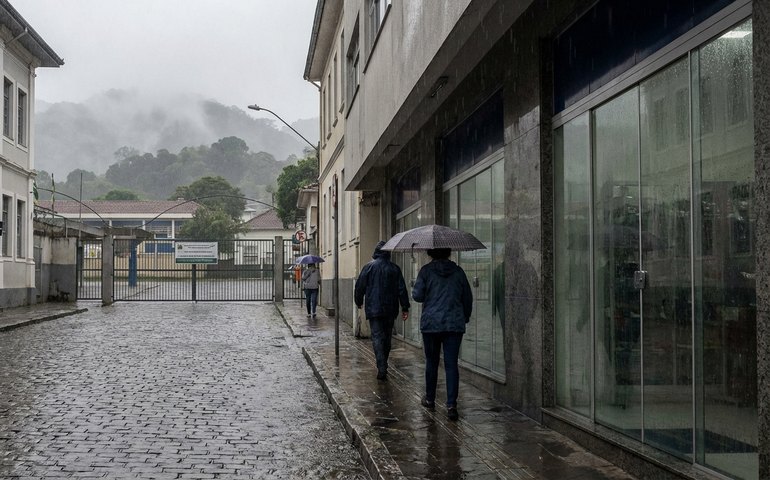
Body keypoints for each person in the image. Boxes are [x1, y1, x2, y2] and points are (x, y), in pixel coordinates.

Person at [412, 247, 472, 421]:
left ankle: (430, 399)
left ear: (431, 253)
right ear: (449, 252)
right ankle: (451, 405)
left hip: (431, 325)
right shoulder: (459, 272)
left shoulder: (425, 271)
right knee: (451, 364)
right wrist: (464, 317)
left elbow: (417, 296)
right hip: (454, 324)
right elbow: (467, 298)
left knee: (432, 361)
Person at [354, 240, 410, 381]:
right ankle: (383, 362)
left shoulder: (368, 267)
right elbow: (402, 289)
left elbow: (359, 286)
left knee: (377, 337)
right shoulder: (394, 268)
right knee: (387, 337)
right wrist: (405, 307)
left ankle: (382, 367)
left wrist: (359, 301)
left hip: (374, 308)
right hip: (390, 309)